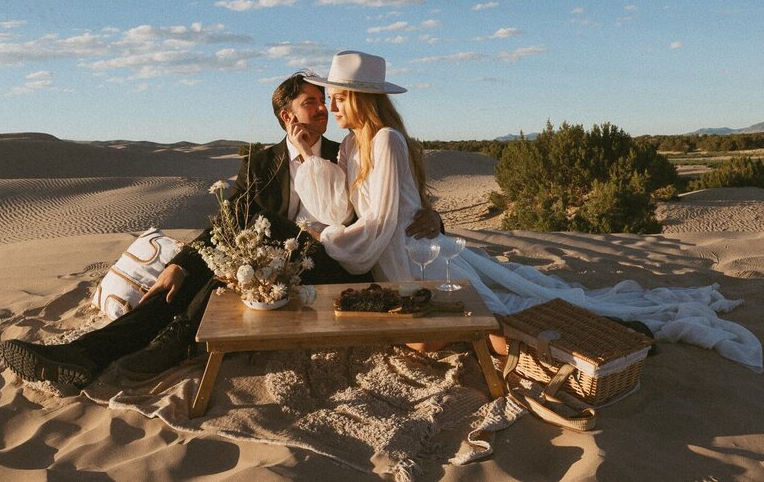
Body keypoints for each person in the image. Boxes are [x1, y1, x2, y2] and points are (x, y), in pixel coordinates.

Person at [291, 50, 762, 371]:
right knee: (459, 327)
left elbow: (381, 221)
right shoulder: (352, 145)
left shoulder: (388, 140)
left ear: (362, 97)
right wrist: (309, 157)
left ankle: (615, 337)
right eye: (328, 96)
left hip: (417, 257)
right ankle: (588, 338)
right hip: (392, 260)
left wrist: (330, 240)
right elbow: (343, 207)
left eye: (337, 95)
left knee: (502, 313)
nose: (330, 104)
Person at [0, 70, 445, 389]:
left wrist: (434, 217)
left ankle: (170, 345)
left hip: (331, 262)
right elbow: (229, 220)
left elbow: (393, 199)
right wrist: (177, 263)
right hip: (268, 263)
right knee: (198, 275)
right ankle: (84, 356)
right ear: (286, 115)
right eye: (312, 102)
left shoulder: (347, 146)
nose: (325, 108)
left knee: (226, 276)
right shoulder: (263, 163)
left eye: (327, 100)